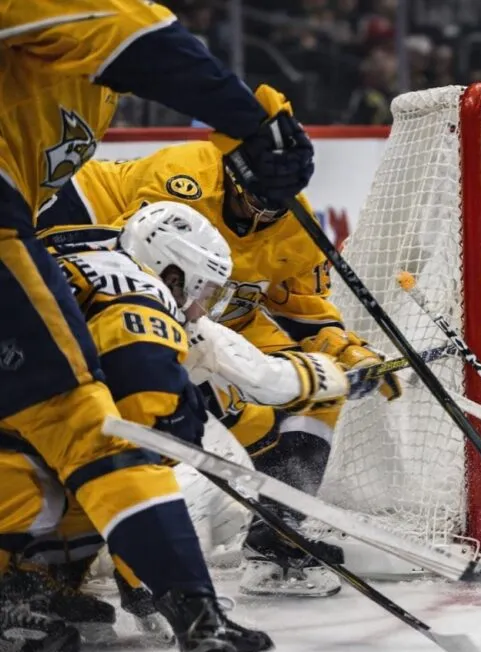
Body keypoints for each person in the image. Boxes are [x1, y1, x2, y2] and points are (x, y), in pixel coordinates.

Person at [0, 2, 313, 652]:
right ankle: (197, 618)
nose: (201, 305)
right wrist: (255, 122)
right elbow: (142, 39)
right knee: (92, 434)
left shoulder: (85, 95)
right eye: (196, 287)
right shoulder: (126, 288)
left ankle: (25, 587)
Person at [37, 84, 401, 598]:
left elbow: (305, 315)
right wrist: (311, 374)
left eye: (275, 206)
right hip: (128, 294)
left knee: (310, 403)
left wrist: (346, 353)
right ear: (232, 174)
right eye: (254, 201)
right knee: (137, 425)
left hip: (207, 311)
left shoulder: (297, 228)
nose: (262, 217)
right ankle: (110, 569)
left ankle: (278, 537)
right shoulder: (178, 181)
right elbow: (144, 283)